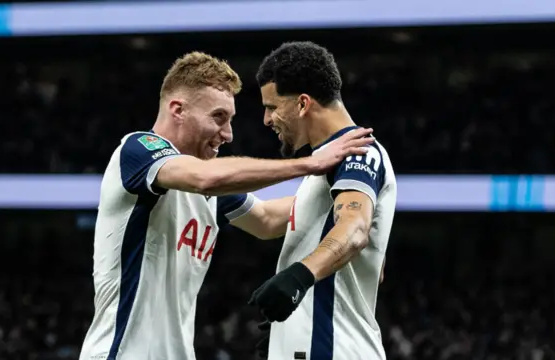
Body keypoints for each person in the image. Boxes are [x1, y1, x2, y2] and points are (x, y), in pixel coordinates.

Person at [78, 51, 375, 360]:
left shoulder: (208, 186)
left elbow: (267, 220)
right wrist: (311, 164)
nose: (228, 134)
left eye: (230, 120)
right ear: (177, 110)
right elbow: (205, 179)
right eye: (218, 117)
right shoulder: (138, 150)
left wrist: (349, 193)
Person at [248, 41, 396, 360]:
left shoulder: (358, 152)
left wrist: (298, 278)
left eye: (272, 107)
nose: (266, 119)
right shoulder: (323, 168)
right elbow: (266, 219)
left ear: (303, 104)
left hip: (333, 349)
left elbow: (354, 230)